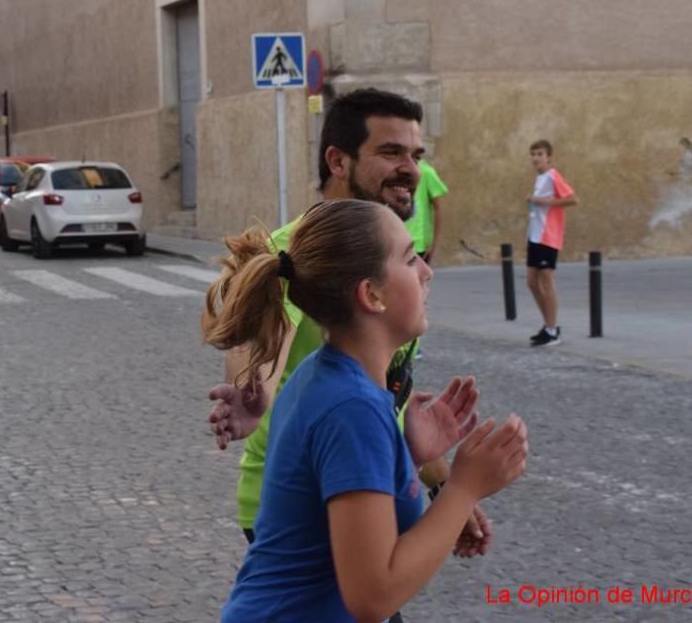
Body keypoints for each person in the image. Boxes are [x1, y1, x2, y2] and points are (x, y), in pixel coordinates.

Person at [204, 199, 529, 622]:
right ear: (371, 294)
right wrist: (465, 487)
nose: (427, 271)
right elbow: (373, 595)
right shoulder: (351, 406)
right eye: (410, 259)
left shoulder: (330, 379)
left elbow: (338, 510)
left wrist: (404, 457)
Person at [207, 89, 493, 557]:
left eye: (415, 154)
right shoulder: (300, 253)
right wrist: (251, 392)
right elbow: (262, 349)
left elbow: (392, 395)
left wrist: (442, 490)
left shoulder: (390, 260)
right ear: (338, 161)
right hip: (299, 508)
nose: (412, 170)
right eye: (390, 152)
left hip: (364, 487)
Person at [526, 139, 578, 346]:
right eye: (533, 154)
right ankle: (547, 325)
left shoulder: (553, 176)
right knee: (531, 282)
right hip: (535, 237)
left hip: (549, 237)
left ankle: (552, 329)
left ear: (549, 157)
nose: (536, 158)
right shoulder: (539, 179)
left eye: (540, 154)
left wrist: (542, 202)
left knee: (546, 282)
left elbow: (573, 199)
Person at [404, 159, 448, 264]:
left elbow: (438, 208)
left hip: (418, 243)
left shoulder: (426, 172)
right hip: (393, 241)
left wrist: (434, 244)